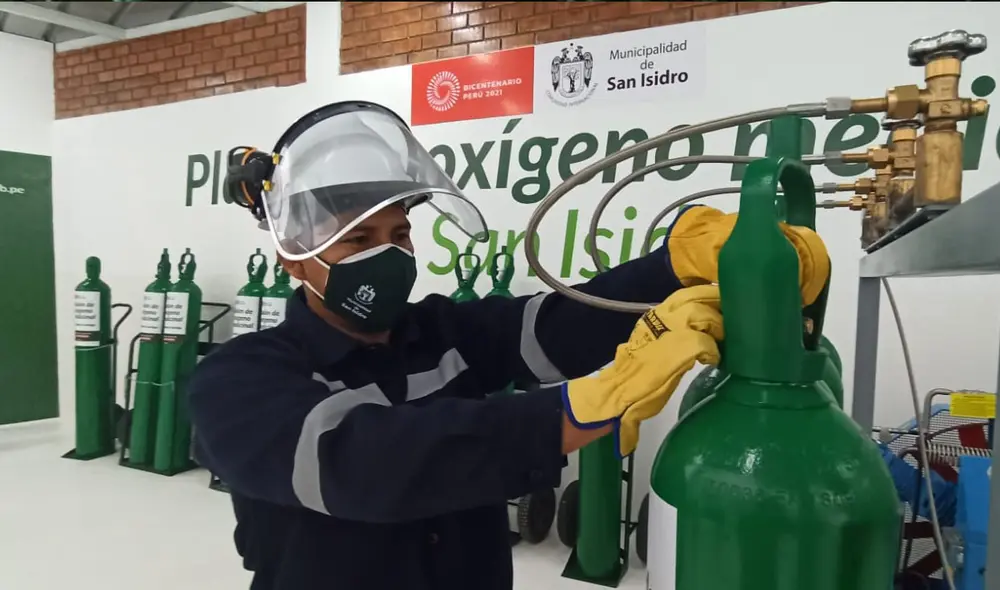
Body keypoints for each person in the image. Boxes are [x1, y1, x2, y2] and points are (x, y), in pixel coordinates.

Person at [188, 101, 829, 590]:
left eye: (399, 233)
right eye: (358, 240)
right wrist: (586, 405)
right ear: (293, 259)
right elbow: (360, 464)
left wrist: (676, 266)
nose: (388, 253)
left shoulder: (442, 334)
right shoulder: (236, 382)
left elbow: (554, 325)